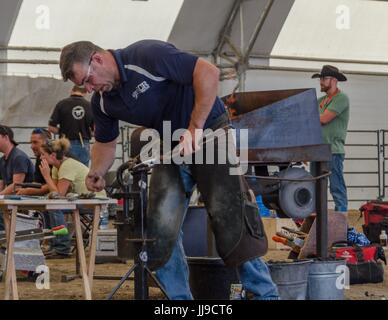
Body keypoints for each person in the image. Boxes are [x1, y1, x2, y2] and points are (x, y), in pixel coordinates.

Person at [58, 40, 279, 300]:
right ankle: (180, 302)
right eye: (84, 85)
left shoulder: (146, 55)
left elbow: (208, 72)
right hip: (172, 146)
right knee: (158, 229)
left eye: (88, 79)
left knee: (230, 216)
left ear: (97, 59)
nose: (89, 88)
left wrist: (194, 129)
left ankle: (266, 295)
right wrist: (96, 170)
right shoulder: (103, 102)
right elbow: (106, 142)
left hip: (209, 131)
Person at [16, 128, 72, 258]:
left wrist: (29, 190)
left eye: (35, 142)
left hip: (76, 199)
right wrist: (27, 191)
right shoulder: (43, 160)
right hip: (63, 197)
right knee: (45, 204)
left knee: (53, 205)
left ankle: (61, 246)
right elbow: (42, 185)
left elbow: (57, 192)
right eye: (31, 142)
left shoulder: (62, 161)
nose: (32, 146)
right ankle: (52, 243)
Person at [312, 65, 350, 213]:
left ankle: (342, 221)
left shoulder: (341, 98)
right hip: (317, 151)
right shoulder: (320, 100)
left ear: (333, 80)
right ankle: (317, 219)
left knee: (336, 187)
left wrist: (307, 116)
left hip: (333, 150)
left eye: (323, 78)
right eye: (320, 78)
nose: (320, 81)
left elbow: (324, 119)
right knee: (315, 188)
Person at [48, 85, 94, 166]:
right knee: (83, 172)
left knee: (67, 170)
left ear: (72, 90)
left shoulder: (62, 104)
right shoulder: (90, 106)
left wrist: (62, 131)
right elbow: (96, 131)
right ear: (85, 92)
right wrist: (87, 132)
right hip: (84, 144)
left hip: (65, 144)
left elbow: (51, 128)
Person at [0, 125, 34, 231]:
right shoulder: (2, 160)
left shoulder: (18, 157)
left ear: (6, 137)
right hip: (11, 198)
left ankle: (4, 240)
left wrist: (0, 196)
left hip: (26, 198)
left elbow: (16, 185)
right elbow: (1, 183)